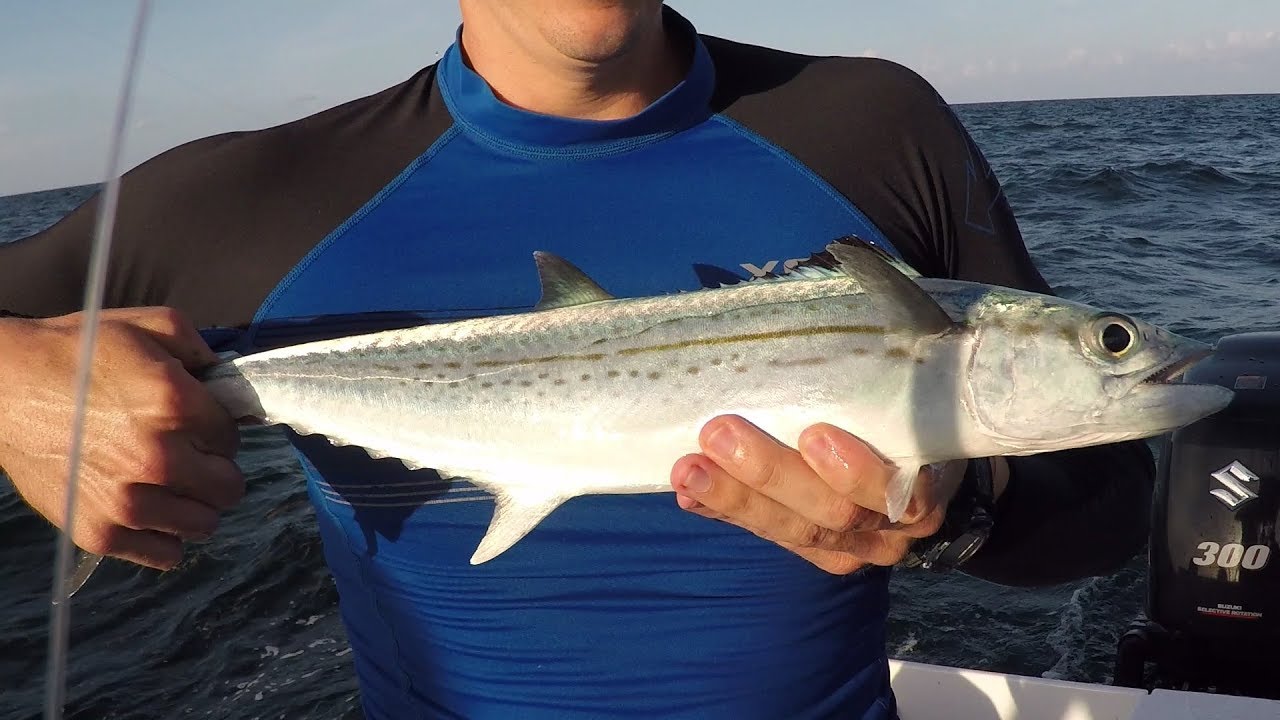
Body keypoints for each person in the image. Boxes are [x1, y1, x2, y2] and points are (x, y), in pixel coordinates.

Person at [0, 2, 1156, 718]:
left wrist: (956, 511)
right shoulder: (264, 192)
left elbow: (1104, 507)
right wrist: (11, 379)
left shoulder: (871, 125)